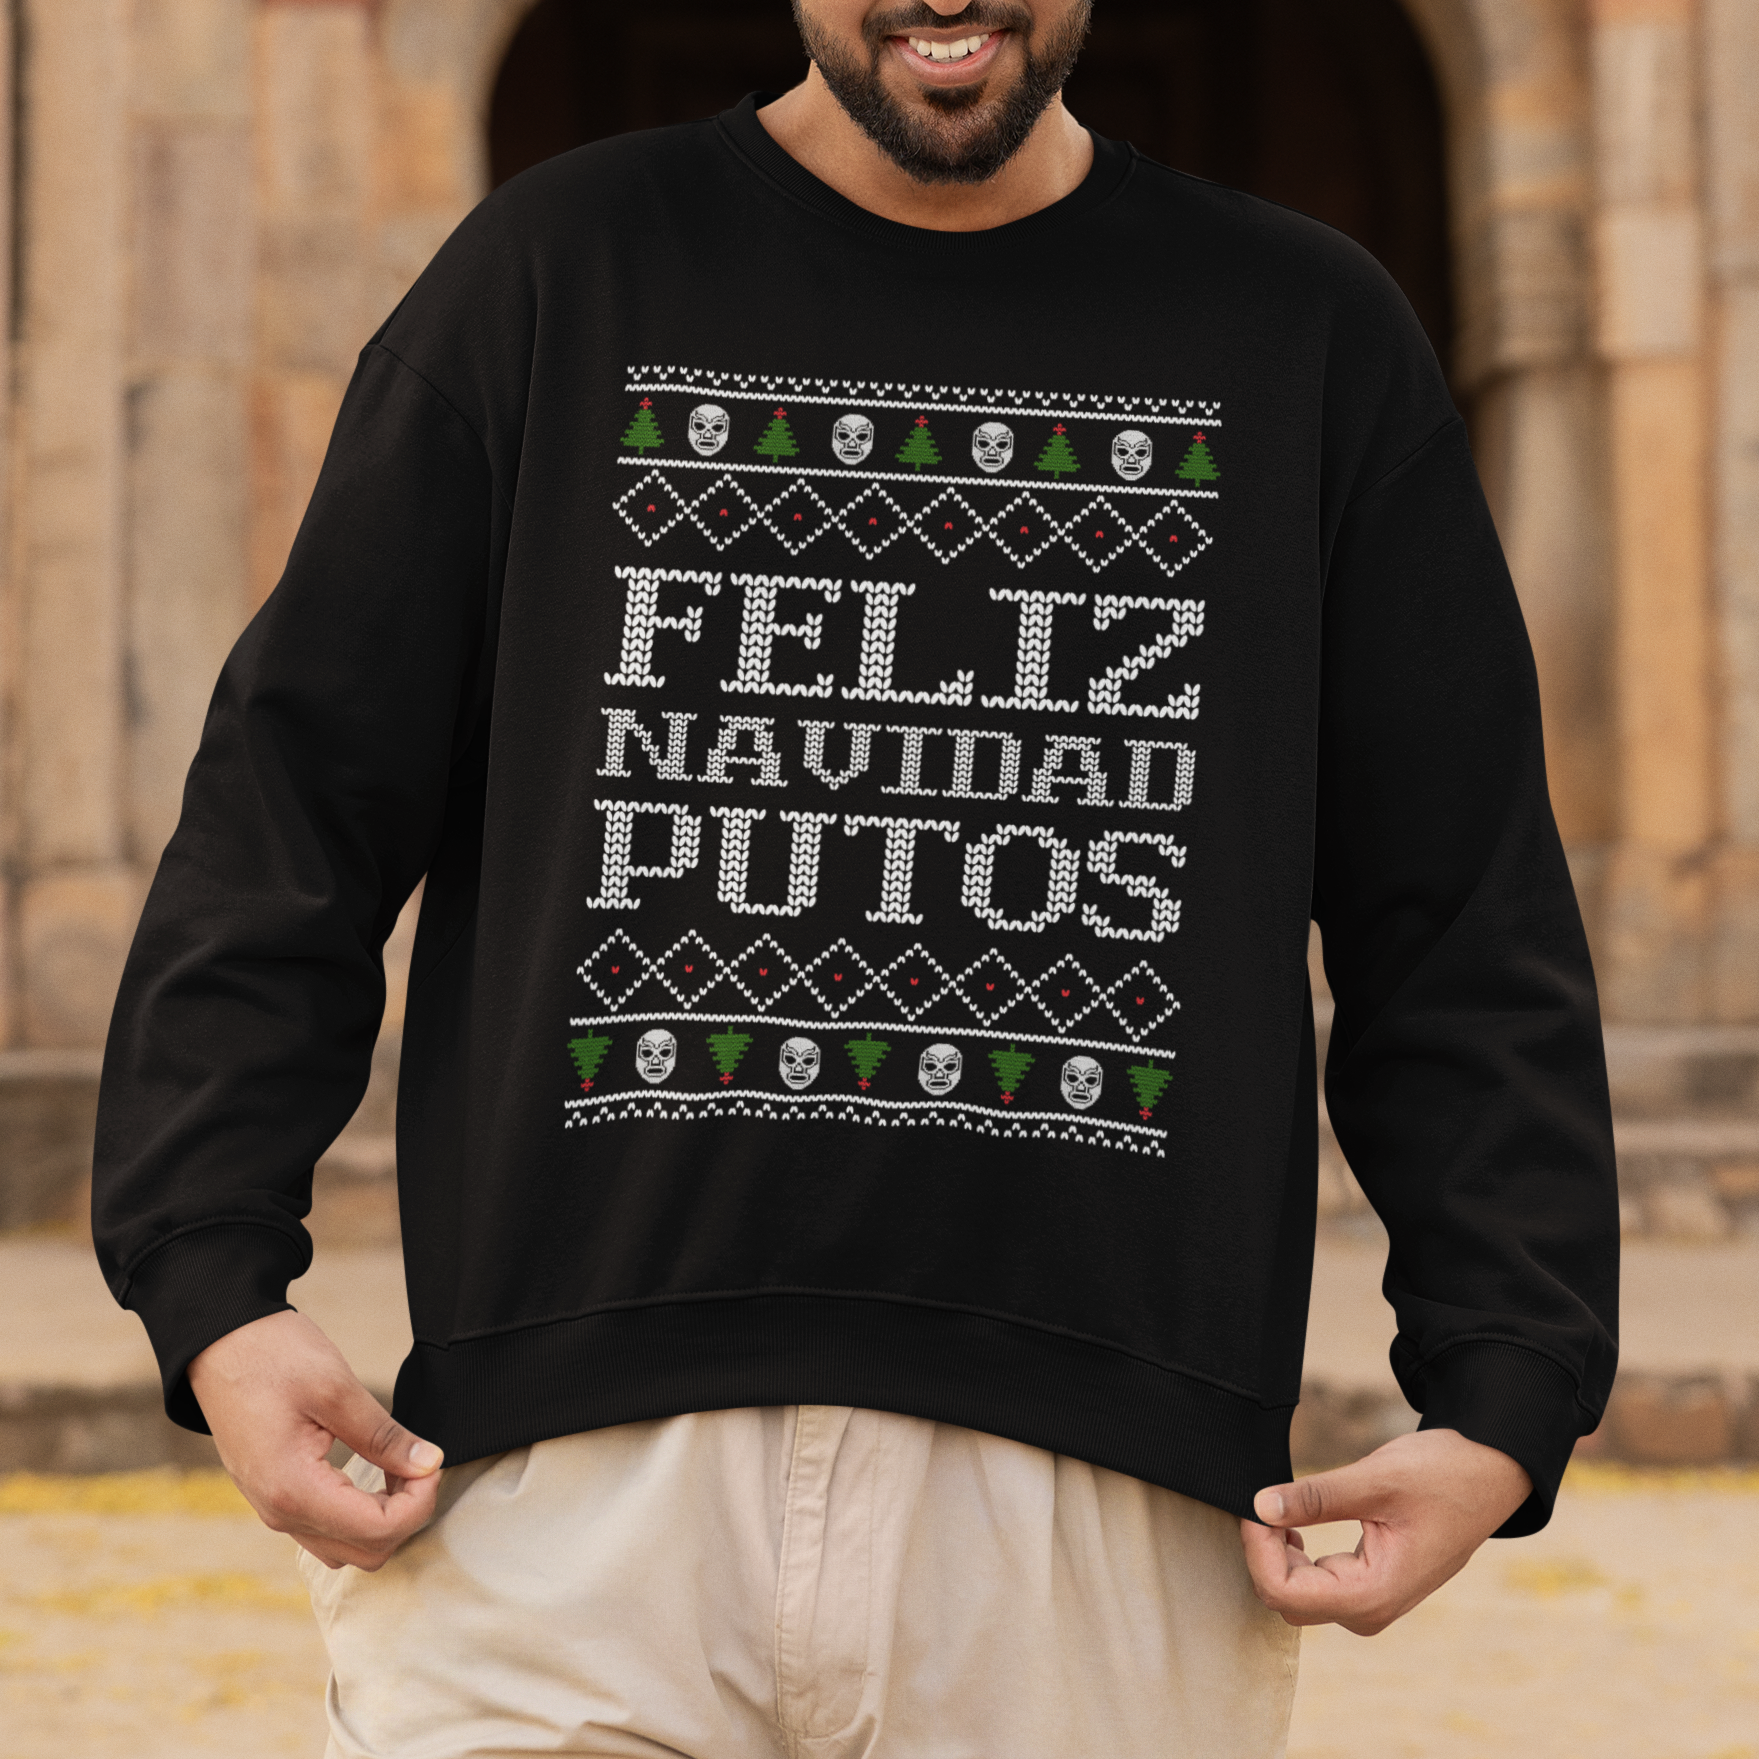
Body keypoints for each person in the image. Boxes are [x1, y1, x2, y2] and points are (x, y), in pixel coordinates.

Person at [92, 2, 1619, 1754]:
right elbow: (294, 794)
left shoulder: (1304, 335)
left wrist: (1502, 1385)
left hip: (1093, 1529)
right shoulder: (555, 274)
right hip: (562, 1496)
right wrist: (213, 1285)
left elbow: (1462, 912)